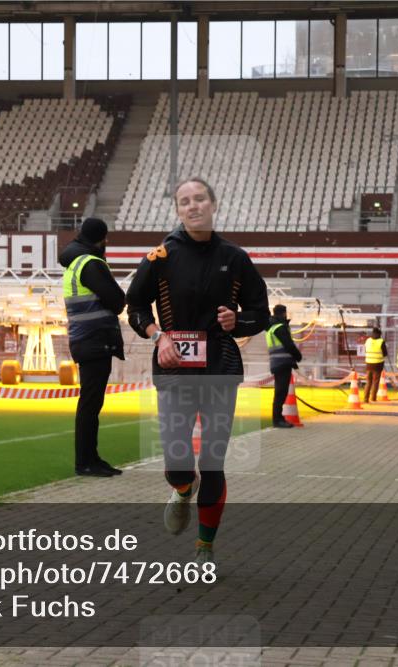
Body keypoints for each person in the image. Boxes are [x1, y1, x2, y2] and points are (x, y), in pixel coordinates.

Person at [126, 177, 270, 564]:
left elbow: (261, 314)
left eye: (200, 199)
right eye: (184, 201)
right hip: (174, 371)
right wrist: (160, 338)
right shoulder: (160, 257)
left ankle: (204, 547)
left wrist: (236, 321)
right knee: (177, 460)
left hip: (221, 369)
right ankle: (182, 488)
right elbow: (135, 307)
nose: (193, 206)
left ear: (213, 204)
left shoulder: (236, 258)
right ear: (178, 210)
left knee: (213, 460)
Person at [59, 217, 125, 478]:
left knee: (91, 403)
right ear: (102, 238)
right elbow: (117, 300)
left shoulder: (76, 262)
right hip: (95, 339)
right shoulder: (91, 264)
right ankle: (85, 461)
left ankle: (91, 458)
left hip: (88, 339)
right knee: (90, 404)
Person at [266, 304, 303, 428]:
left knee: (280, 392)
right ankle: (278, 420)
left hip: (277, 363)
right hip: (283, 363)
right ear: (283, 313)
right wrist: (298, 356)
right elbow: (289, 345)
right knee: (281, 392)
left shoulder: (271, 327)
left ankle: (278, 418)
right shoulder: (280, 327)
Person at [363, 326, 388, 403]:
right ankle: (373, 398)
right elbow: (385, 354)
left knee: (368, 382)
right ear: (379, 334)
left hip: (368, 364)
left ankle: (365, 399)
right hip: (377, 365)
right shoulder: (381, 341)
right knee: (375, 382)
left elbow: (365, 350)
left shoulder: (367, 341)